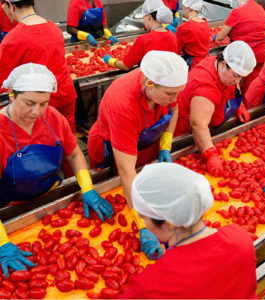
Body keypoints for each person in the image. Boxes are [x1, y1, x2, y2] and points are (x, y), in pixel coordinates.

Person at [0, 64, 113, 276]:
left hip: (50, 198)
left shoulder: (52, 117)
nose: (37, 112)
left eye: (44, 103)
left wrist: (87, 187)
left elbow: (74, 154)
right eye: (29, 103)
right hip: (10, 209)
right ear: (11, 95)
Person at [88, 51, 188, 259]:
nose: (175, 99)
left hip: (144, 142)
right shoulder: (124, 104)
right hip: (111, 149)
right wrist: (143, 224)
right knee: (115, 188)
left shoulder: (167, 88)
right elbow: (126, 171)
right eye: (170, 94)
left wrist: (165, 146)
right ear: (150, 83)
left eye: (178, 93)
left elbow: (175, 109)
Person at [120, 163, 257, 299]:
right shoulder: (240, 238)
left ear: (167, 222)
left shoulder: (149, 287)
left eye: (144, 217)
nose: (142, 220)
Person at [175, 41, 256, 177]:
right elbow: (198, 124)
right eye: (236, 76)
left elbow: (232, 87)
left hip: (210, 124)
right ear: (224, 64)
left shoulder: (220, 67)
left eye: (242, 77)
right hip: (186, 131)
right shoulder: (205, 85)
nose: (238, 82)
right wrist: (211, 154)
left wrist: (239, 106)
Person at [0, 0, 77, 134]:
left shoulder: (13, 39)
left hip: (35, 106)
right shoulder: (54, 28)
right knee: (66, 144)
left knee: (40, 148)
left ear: (10, 6)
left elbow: (4, 80)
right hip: (64, 96)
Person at [103, 0, 178, 71]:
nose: (144, 21)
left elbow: (125, 66)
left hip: (150, 82)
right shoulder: (172, 36)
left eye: (143, 18)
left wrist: (110, 60)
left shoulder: (143, 39)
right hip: (169, 81)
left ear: (148, 16)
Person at [213, 0, 265, 96]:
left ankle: (234, 106)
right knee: (251, 89)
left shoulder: (237, 12)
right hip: (259, 54)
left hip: (242, 56)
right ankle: (248, 108)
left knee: (233, 84)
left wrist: (215, 37)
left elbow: (220, 37)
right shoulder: (260, 9)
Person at [176, 0, 209, 70]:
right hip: (206, 62)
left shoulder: (184, 27)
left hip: (193, 63)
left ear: (186, 7)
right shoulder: (205, 23)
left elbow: (176, 48)